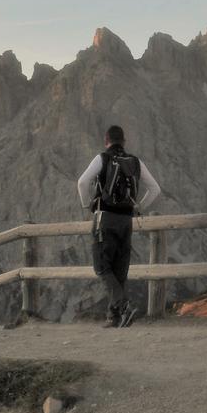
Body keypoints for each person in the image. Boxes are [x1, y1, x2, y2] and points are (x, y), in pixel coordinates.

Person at [77, 125, 162, 328]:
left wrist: (87, 204)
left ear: (106, 141)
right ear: (124, 141)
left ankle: (124, 307)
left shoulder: (103, 159)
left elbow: (82, 182)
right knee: (119, 269)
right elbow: (155, 189)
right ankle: (113, 317)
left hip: (104, 218)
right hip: (126, 221)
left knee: (102, 266)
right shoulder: (134, 162)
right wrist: (138, 206)